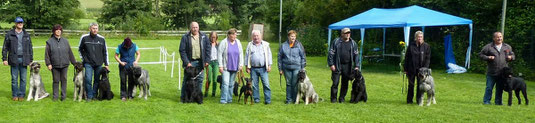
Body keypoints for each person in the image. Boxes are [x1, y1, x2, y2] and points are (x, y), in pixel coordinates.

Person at [479, 32, 514, 105]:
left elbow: (513, 55)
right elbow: (481, 55)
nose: (499, 38)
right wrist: (488, 57)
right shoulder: (489, 47)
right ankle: (486, 101)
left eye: (501, 37)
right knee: (489, 87)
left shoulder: (507, 47)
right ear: (494, 38)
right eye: (498, 37)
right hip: (492, 72)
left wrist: (511, 57)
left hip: (502, 73)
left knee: (500, 88)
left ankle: (498, 102)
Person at [2, 17, 33, 101]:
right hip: (13, 59)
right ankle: (15, 95)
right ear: (15, 24)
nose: (20, 24)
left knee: (23, 79)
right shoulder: (10, 34)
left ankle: (21, 95)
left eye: (21, 22)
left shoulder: (26, 34)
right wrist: (4, 59)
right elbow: (5, 47)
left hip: (24, 59)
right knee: (14, 79)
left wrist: (31, 59)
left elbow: (30, 47)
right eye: (18, 23)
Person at [179, 21, 211, 101]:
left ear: (198, 28)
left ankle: (197, 98)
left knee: (200, 80)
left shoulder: (204, 36)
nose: (195, 29)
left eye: (196, 27)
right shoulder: (185, 37)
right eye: (193, 27)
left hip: (201, 61)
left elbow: (208, 49)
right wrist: (187, 62)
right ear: (190, 28)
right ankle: (183, 98)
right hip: (190, 62)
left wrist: (207, 60)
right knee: (186, 80)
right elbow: (182, 50)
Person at [44, 24, 77, 101]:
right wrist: (48, 64)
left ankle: (63, 97)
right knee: (56, 80)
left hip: (65, 64)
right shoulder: (49, 42)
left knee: (64, 80)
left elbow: (70, 53)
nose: (58, 31)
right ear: (54, 31)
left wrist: (74, 63)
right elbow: (47, 54)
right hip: (54, 65)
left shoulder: (65, 41)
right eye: (56, 29)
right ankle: (55, 97)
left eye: (60, 30)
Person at [79, 22, 109, 102]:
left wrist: (106, 64)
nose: (95, 30)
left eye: (96, 28)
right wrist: (84, 59)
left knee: (96, 80)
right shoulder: (84, 38)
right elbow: (80, 49)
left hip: (99, 63)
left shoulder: (102, 39)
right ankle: (89, 95)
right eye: (93, 28)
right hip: (88, 63)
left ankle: (94, 95)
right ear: (90, 29)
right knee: (88, 79)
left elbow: (105, 52)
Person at [328, 28, 359, 103]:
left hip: (348, 66)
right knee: (335, 83)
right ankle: (333, 99)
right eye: (346, 33)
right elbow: (331, 54)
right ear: (342, 34)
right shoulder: (336, 42)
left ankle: (342, 98)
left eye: (349, 32)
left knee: (345, 83)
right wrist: (331, 64)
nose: (348, 34)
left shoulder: (353, 43)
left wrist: (357, 65)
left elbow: (356, 55)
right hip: (337, 65)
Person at [278, 30, 306, 104]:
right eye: (291, 36)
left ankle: (295, 100)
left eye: (294, 36)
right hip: (286, 67)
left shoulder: (299, 45)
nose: (293, 38)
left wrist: (302, 68)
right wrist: (280, 69)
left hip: (297, 67)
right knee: (288, 84)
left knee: (295, 84)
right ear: (288, 37)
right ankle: (288, 100)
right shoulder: (283, 45)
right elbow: (279, 58)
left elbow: (303, 56)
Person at [245, 30, 272, 104]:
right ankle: (256, 99)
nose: (256, 37)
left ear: (261, 36)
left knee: (266, 84)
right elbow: (247, 56)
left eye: (257, 36)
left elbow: (269, 55)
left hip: (263, 68)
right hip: (253, 68)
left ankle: (268, 100)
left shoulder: (265, 44)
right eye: (254, 36)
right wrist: (247, 67)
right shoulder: (250, 45)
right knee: (254, 85)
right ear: (252, 37)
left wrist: (269, 65)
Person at [403, 30, 431, 104]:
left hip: (421, 70)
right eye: (418, 37)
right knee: (411, 85)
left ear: (423, 38)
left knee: (420, 86)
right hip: (411, 68)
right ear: (415, 37)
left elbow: (428, 59)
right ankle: (409, 100)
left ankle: (419, 100)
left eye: (421, 37)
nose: (419, 38)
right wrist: (405, 69)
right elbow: (407, 57)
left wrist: (425, 69)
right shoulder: (411, 46)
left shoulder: (426, 46)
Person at [217, 28, 243, 104]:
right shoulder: (224, 42)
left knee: (231, 84)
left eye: (235, 34)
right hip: (226, 67)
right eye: (233, 34)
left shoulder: (238, 42)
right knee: (225, 83)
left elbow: (241, 54)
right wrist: (220, 66)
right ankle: (223, 99)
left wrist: (241, 64)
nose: (235, 36)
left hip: (235, 66)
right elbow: (219, 54)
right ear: (229, 35)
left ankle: (229, 99)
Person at [204, 31, 219, 97]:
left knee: (215, 79)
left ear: (216, 37)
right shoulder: (207, 44)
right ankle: (206, 91)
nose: (213, 38)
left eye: (214, 37)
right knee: (209, 79)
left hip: (216, 63)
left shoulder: (218, 45)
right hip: (209, 63)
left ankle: (213, 93)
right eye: (212, 37)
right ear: (210, 37)